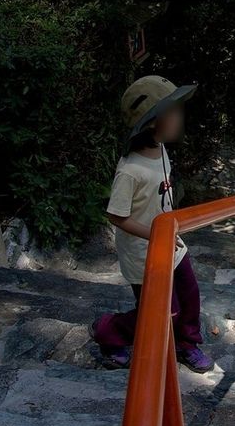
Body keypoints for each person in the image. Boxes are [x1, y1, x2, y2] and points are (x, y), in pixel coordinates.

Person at [90, 75, 213, 373]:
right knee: (162, 312)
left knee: (189, 294)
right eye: (173, 110)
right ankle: (109, 331)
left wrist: (171, 229)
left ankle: (186, 344)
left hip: (170, 244)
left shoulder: (159, 150)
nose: (179, 116)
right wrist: (156, 235)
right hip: (143, 253)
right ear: (152, 122)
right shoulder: (131, 170)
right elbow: (116, 216)